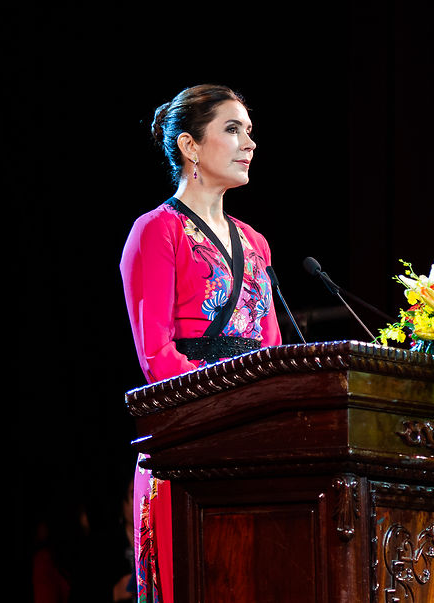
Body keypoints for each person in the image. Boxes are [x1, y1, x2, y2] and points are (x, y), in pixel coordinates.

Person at [120, 84, 281, 603]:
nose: (248, 143)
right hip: (191, 444)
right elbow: (157, 357)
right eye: (232, 130)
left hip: (257, 442)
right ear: (190, 146)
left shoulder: (256, 243)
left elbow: (274, 353)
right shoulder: (156, 231)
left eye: (249, 131)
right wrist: (228, 411)